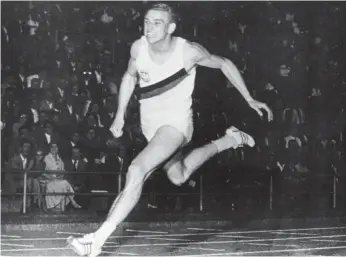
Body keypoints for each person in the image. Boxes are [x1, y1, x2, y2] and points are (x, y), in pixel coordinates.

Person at [67, 3, 273, 256]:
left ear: (171, 27)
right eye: (146, 21)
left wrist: (249, 98)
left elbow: (224, 63)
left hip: (176, 125)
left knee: (136, 169)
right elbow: (130, 76)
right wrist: (120, 114)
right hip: (150, 126)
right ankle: (230, 141)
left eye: (157, 23)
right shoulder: (138, 47)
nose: (149, 27)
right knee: (179, 175)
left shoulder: (188, 52)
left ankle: (96, 240)